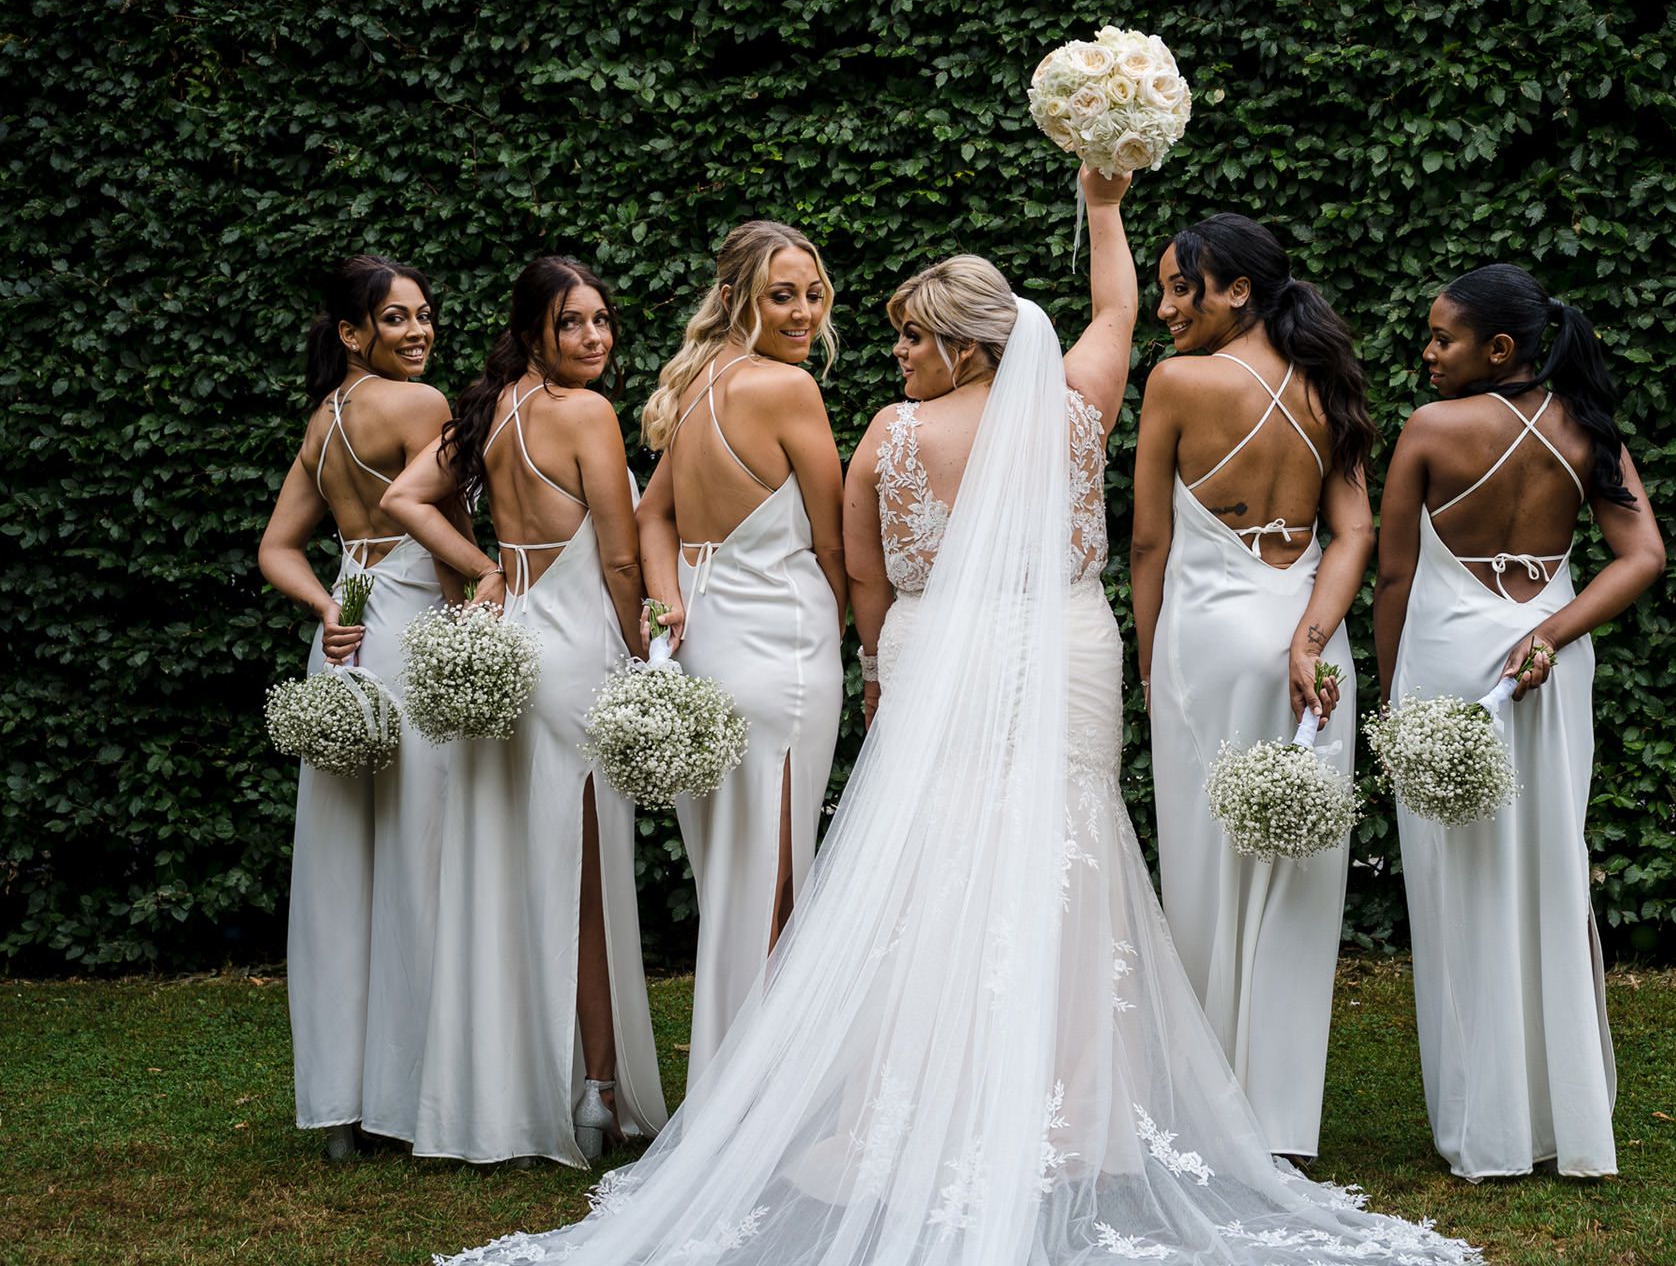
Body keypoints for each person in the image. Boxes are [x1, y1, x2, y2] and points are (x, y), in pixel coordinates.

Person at [438, 173, 1478, 1265]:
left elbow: (867, 578)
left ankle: (918, 1096)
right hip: (1064, 644)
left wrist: (884, 669)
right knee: (1066, 855)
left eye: (913, 338)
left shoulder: (889, 435)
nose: (894, 354)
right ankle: (1071, 1108)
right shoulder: (1076, 409)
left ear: (969, 347)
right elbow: (1117, 309)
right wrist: (1104, 204)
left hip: (934, 654)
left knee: (936, 858)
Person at [1374, 263, 1665, 1180]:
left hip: (1452, 665)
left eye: (1442, 338)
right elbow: (1642, 555)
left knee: (1456, 882)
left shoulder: (1430, 430)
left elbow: (1393, 578)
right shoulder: (1588, 430)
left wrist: (1392, 700)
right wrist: (1550, 631)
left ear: (1498, 349)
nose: (1426, 353)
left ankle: (1483, 1125)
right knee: (1549, 869)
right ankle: (1561, 1121)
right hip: (1551, 668)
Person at [385, 255, 667, 1166]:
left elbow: (402, 500)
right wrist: (647, 658)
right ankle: (594, 1093)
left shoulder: (494, 407)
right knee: (584, 882)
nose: (593, 338)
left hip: (507, 654)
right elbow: (622, 564)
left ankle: (499, 1093)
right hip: (576, 656)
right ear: (534, 329)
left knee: (503, 875)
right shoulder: (585, 414)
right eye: (572, 323)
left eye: (601, 321)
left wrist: (485, 570)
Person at [1130, 214, 1375, 1163]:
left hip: (1209, 639)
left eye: (1178, 288)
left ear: (1234, 290)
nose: (1165, 309)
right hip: (1307, 646)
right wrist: (1311, 637)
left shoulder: (1179, 383)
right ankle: (1280, 1118)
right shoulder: (1328, 386)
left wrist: (1149, 664)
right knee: (1300, 872)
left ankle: (1205, 1103)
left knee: (1204, 864)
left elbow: (1150, 541)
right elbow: (1352, 534)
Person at [635, 221, 847, 1085]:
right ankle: (760, 1099)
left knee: (733, 872)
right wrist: (862, 634)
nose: (803, 312)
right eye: (781, 295)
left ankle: (735, 1083)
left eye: (812, 292)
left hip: (707, 651)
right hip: (785, 648)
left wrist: (669, 603)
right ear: (736, 299)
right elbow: (835, 543)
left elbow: (653, 519)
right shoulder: (787, 390)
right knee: (777, 878)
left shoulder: (693, 383)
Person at [258, 254, 460, 1160]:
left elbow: (278, 548)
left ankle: (340, 1107)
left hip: (345, 641)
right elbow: (436, 526)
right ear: (352, 333)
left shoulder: (321, 422)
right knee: (420, 862)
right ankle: (413, 1098)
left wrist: (328, 607)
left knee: (339, 873)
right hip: (413, 631)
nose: (417, 332)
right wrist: (485, 590)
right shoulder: (420, 407)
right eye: (395, 320)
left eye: (422, 316)